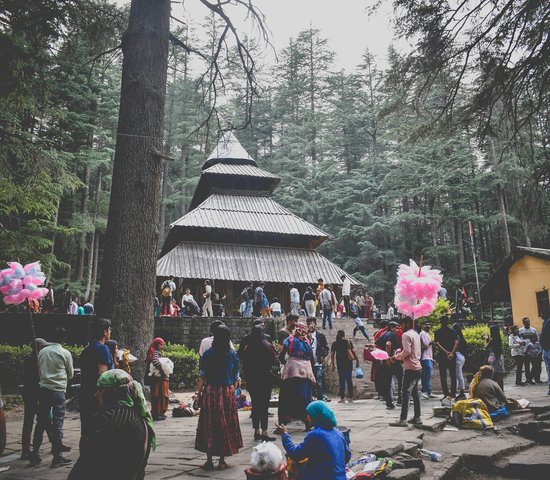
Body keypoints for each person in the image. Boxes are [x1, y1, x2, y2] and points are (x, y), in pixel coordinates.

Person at [67, 369, 155, 480]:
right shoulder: (137, 414)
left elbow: (87, 462)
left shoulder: (109, 417)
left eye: (99, 390)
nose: (96, 394)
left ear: (108, 392)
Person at [195, 325, 242, 470]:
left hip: (211, 392)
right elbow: (236, 378)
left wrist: (197, 394)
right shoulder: (233, 355)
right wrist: (233, 390)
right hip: (227, 391)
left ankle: (209, 460)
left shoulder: (208, 354)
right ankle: (222, 461)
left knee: (209, 423)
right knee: (225, 423)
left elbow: (203, 377)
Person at [29, 331, 74, 468]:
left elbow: (39, 370)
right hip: (58, 390)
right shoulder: (65, 353)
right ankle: (57, 457)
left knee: (41, 422)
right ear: (63, 340)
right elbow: (70, 374)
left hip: (44, 389)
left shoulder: (42, 352)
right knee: (58, 423)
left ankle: (34, 454)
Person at [277, 401, 351, 480]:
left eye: (309, 414)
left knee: (293, 463)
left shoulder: (316, 434)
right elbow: (347, 457)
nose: (307, 417)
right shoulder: (339, 433)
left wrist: (285, 434)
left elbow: (295, 454)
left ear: (315, 416)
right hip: (341, 477)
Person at [21, 338, 58, 460]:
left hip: (33, 393)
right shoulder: (34, 361)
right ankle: (26, 450)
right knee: (34, 421)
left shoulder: (35, 359)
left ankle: (54, 445)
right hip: (34, 393)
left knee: (44, 420)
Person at [240, 325, 279, 441]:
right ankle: (265, 432)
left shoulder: (248, 347)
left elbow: (243, 362)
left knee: (255, 405)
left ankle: (256, 430)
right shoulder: (267, 346)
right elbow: (275, 361)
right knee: (264, 405)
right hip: (265, 379)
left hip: (252, 380)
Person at [79, 318, 113, 449]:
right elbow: (102, 376)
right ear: (105, 332)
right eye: (109, 330)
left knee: (85, 431)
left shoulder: (86, 350)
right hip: (97, 396)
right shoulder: (103, 349)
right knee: (99, 429)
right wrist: (101, 397)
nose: (110, 332)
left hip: (85, 393)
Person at [278, 322, 316, 428]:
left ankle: (284, 422)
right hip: (306, 372)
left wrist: (284, 362)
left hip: (292, 371)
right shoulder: (307, 342)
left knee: (287, 397)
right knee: (305, 397)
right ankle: (307, 422)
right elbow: (311, 358)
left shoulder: (289, 340)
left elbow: (281, 356)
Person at [390, 317, 422, 427]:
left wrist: (396, 357)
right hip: (417, 366)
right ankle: (417, 417)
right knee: (415, 393)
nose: (400, 327)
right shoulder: (416, 334)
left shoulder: (406, 335)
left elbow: (407, 351)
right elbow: (411, 350)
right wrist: (401, 352)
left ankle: (403, 419)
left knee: (405, 393)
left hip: (410, 368)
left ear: (406, 324)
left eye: (402, 324)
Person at [375, 321, 402, 409]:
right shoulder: (392, 334)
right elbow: (388, 344)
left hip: (384, 362)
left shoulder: (383, 334)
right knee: (401, 379)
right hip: (392, 361)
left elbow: (376, 344)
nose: (397, 329)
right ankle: (400, 400)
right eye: (396, 327)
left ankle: (389, 403)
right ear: (392, 327)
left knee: (387, 382)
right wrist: (389, 358)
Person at [433, 316, 459, 399]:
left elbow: (437, 343)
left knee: (443, 375)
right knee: (453, 374)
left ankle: (446, 393)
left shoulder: (437, 332)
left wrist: (446, 352)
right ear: (448, 322)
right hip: (452, 356)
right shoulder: (453, 331)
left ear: (440, 322)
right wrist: (451, 353)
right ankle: (453, 393)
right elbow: (456, 342)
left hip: (442, 356)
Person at [331, 330, 358, 403]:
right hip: (348, 363)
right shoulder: (348, 342)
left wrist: (333, 365)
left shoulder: (335, 343)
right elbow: (353, 351)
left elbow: (332, 355)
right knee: (349, 380)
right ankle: (351, 397)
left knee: (341, 381)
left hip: (340, 364)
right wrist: (357, 361)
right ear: (343, 335)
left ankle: (342, 398)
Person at [145, 338, 169, 421]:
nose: (161, 346)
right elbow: (156, 362)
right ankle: (157, 413)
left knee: (156, 395)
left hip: (155, 377)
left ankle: (156, 412)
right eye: (161, 344)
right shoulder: (155, 352)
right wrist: (163, 369)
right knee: (158, 395)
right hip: (157, 378)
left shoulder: (153, 351)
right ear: (157, 344)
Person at [307, 317, 329, 403]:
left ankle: (320, 400)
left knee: (319, 381)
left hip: (318, 361)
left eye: (312, 323)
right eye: (309, 323)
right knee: (309, 381)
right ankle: (310, 399)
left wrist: (323, 356)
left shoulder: (320, 335)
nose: (311, 325)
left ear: (315, 324)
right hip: (308, 362)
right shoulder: (305, 335)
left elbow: (326, 347)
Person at [520, 317, 542, 384]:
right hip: (526, 352)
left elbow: (537, 340)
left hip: (534, 352)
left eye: (528, 321)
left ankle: (537, 379)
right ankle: (528, 380)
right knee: (527, 366)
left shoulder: (533, 330)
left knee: (535, 366)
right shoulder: (521, 330)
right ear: (523, 323)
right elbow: (519, 341)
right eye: (526, 321)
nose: (528, 322)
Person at [484, 325, 505, 390]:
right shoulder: (498, 338)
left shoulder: (492, 340)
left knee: (493, 374)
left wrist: (485, 339)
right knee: (500, 374)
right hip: (500, 357)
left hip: (493, 356)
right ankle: (501, 390)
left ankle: (494, 390)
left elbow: (486, 347)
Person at [419, 322, 436, 399]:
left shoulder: (427, 334)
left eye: (429, 324)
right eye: (425, 324)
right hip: (425, 358)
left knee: (428, 375)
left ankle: (428, 392)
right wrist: (432, 342)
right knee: (426, 375)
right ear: (422, 326)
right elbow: (426, 345)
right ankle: (424, 391)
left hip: (428, 357)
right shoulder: (422, 333)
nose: (428, 326)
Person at [452, 323, 468, 400]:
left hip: (457, 356)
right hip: (462, 357)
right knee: (458, 374)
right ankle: (458, 391)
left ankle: (461, 392)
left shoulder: (456, 337)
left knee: (458, 375)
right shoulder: (461, 337)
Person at [539, 305, 550, 395]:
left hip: (548, 349)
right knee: (548, 369)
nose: (540, 314)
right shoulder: (546, 322)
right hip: (546, 349)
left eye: (542, 312)